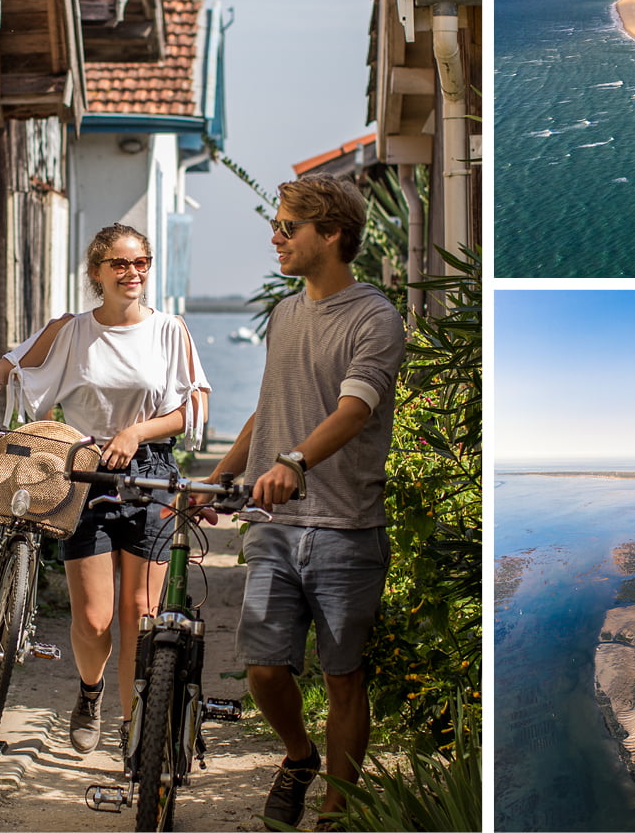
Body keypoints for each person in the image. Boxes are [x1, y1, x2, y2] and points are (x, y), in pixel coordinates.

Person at [0, 223, 208, 756]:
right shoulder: (69, 331)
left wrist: (138, 430)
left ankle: (136, 733)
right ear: (97, 271)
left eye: (141, 262)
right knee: (93, 619)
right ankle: (90, 695)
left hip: (150, 470)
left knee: (141, 616)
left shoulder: (170, 330)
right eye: (120, 264)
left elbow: (193, 408)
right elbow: (2, 372)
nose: (133, 273)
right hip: (84, 472)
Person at [204, 176, 405, 831]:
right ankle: (299, 755)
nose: (276, 237)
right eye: (278, 226)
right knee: (263, 671)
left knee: (344, 678)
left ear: (332, 235)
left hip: (347, 527)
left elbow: (354, 410)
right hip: (276, 526)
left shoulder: (375, 318)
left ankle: (337, 813)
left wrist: (295, 462)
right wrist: (220, 474)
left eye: (288, 227)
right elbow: (271, 407)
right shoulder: (286, 313)